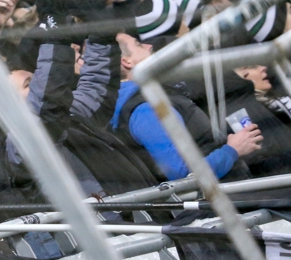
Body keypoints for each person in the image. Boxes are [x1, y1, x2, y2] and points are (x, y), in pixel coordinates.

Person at [111, 33, 263, 181]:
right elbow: (182, 175)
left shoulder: (154, 96)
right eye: (138, 45)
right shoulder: (146, 109)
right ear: (127, 62)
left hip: (232, 195)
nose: (149, 46)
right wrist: (232, 150)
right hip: (223, 202)